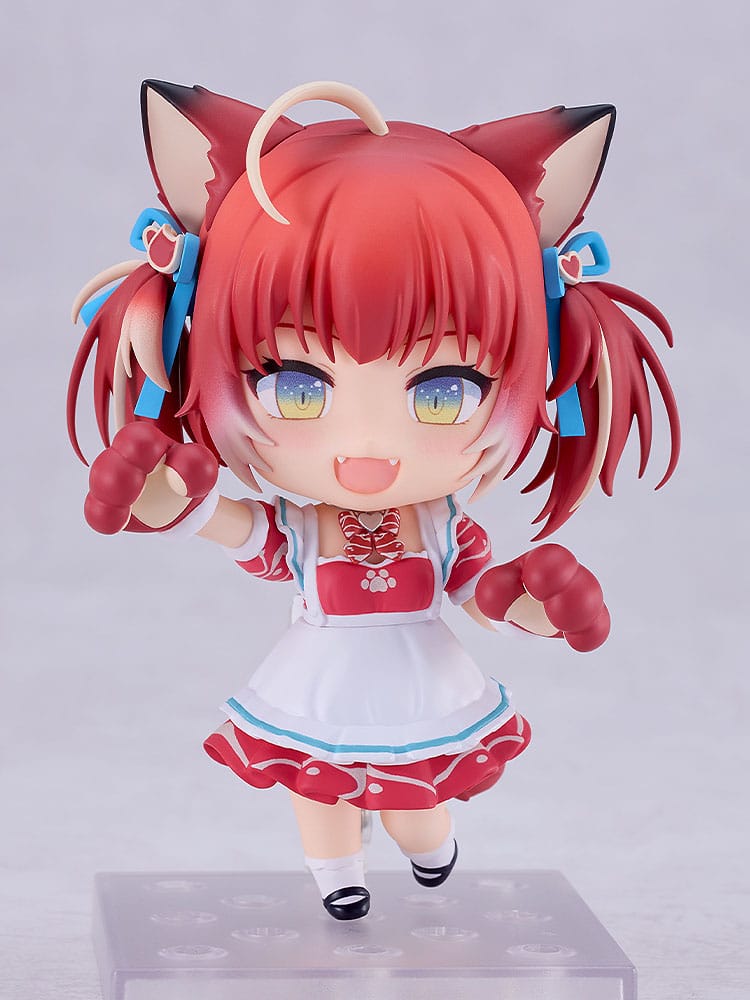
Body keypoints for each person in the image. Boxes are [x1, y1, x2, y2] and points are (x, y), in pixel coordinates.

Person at [68, 80, 680, 919]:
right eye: (294, 387)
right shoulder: (304, 528)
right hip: (320, 675)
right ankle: (338, 879)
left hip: (422, 677)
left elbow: (477, 593)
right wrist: (173, 500)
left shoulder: (441, 526)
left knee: (416, 802)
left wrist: (534, 605)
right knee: (315, 785)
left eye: (444, 392)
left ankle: (430, 849)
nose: (364, 447)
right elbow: (248, 535)